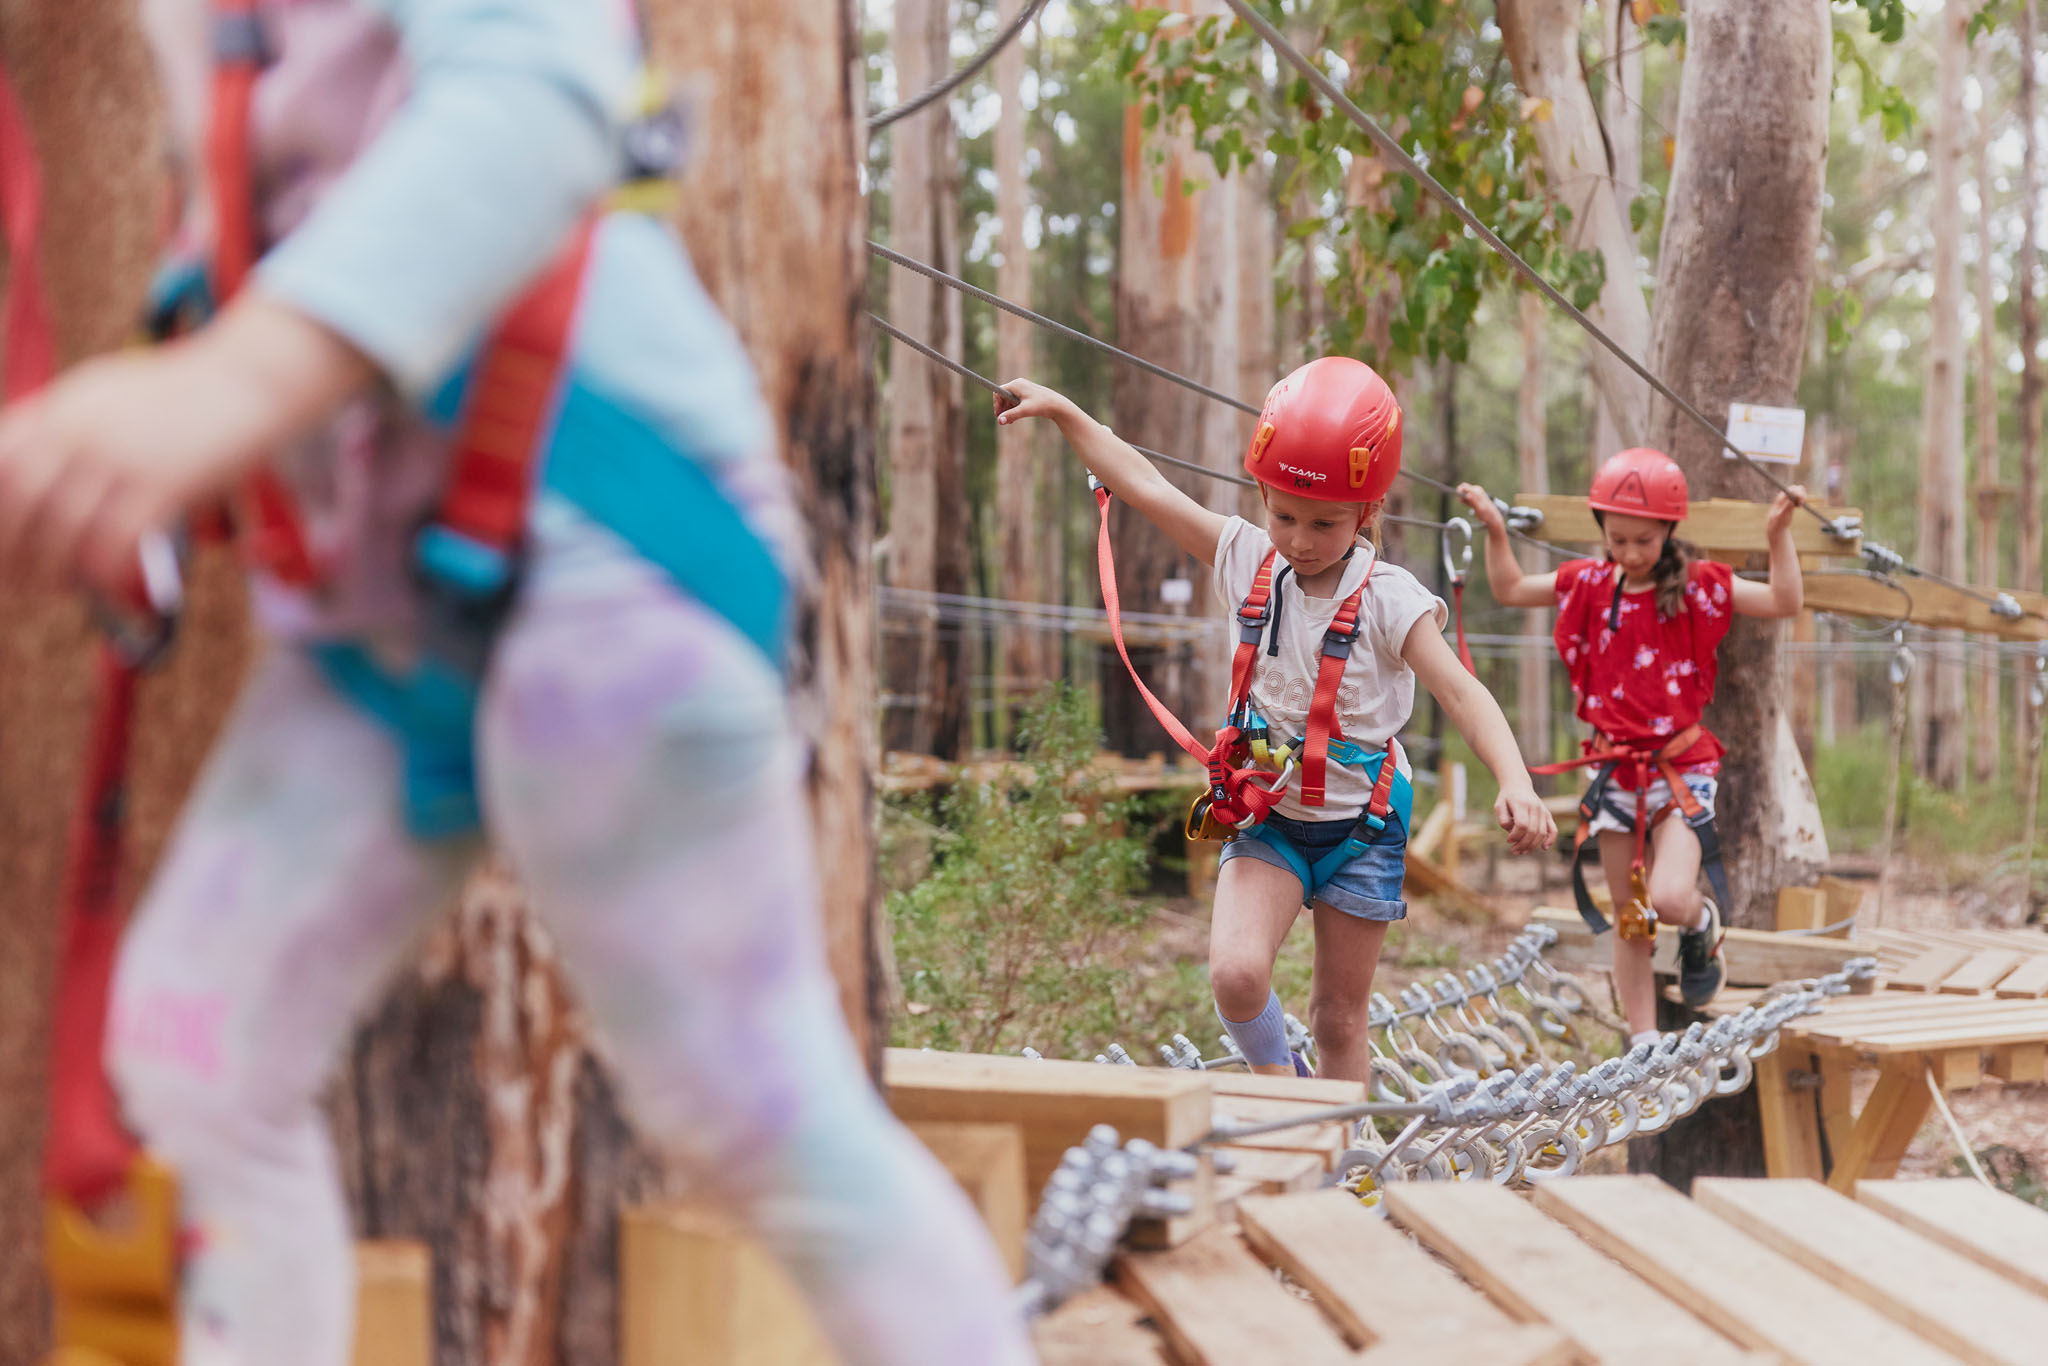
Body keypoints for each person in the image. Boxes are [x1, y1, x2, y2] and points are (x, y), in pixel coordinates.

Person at [0, 2, 1031, 1363]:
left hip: (613, 540)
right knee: (202, 1059)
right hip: (386, 606)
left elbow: (542, 97)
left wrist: (223, 385)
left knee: (751, 1104)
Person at [997, 358, 1555, 1085]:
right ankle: (1281, 1087)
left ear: (1368, 512)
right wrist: (1067, 412)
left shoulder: (1391, 600)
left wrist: (1514, 779)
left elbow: (1462, 693)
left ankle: (1344, 1165)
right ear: (1262, 496)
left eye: (1325, 523)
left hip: (1362, 831)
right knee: (1234, 973)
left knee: (1338, 1018)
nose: (1299, 539)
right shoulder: (1245, 559)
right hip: (1270, 817)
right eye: (1283, 514)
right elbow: (1144, 485)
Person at [1457, 450, 1805, 1038]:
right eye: (1617, 538)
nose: (1630, 552)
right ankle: (1642, 1040)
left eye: (1644, 539)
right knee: (1631, 918)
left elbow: (1783, 602)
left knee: (1668, 897)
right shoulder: (1588, 583)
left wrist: (1778, 536)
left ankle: (1698, 925)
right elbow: (1511, 587)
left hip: (1680, 767)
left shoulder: (1699, 585)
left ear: (1670, 531)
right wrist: (1495, 529)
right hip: (1614, 770)